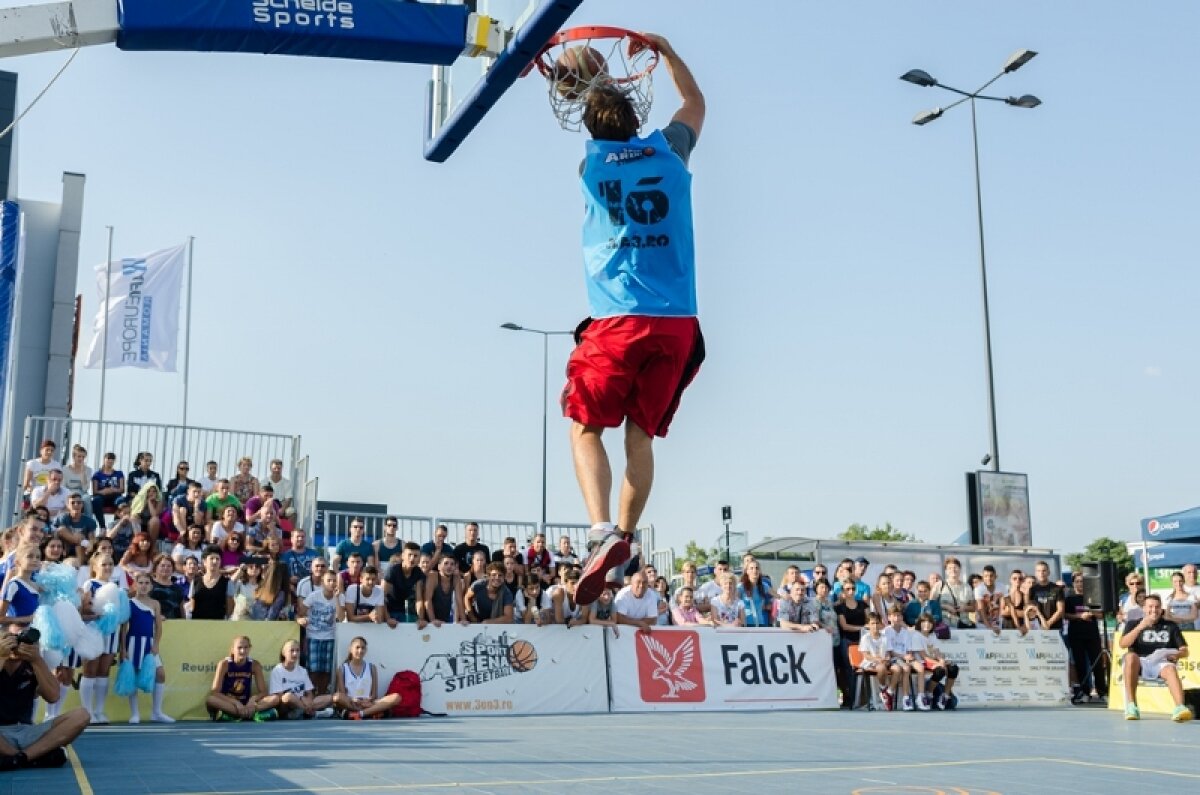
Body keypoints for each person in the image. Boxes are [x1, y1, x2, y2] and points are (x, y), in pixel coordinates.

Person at [565, 34, 707, 608]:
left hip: (618, 321)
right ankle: (624, 538)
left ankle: (601, 531)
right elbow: (695, 102)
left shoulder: (590, 163)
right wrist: (669, 53)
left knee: (584, 427)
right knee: (640, 436)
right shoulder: (671, 151)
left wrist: (581, 78)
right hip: (677, 325)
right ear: (636, 116)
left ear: (591, 126)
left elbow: (599, 116)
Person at [0, 623, 90, 770]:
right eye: (9, 639)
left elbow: (53, 696)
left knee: (82, 715)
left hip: (26, 731)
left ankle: (20, 758)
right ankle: (30, 757)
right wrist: (1, 656)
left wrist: (37, 660)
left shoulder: (32, 666)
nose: (16, 644)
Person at [1119, 594, 1193, 722]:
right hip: (1140, 661)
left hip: (1161, 662)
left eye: (1157, 607)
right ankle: (1131, 706)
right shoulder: (1133, 624)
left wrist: (1176, 654)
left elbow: (1184, 650)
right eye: (1150, 607)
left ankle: (1180, 707)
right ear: (1144, 608)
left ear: (1161, 609)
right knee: (1130, 657)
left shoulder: (1171, 626)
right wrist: (1141, 626)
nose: (1154, 610)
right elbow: (1123, 644)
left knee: (1170, 668)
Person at [120, 572, 174, 723]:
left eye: (146, 583)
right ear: (135, 585)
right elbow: (124, 628)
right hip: (132, 643)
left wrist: (156, 644)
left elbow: (158, 626)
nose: (143, 586)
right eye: (141, 583)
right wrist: (123, 649)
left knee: (160, 674)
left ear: (151, 586)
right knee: (133, 676)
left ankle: (157, 712)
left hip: (149, 644)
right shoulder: (129, 603)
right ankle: (135, 714)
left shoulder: (155, 604)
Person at [204, 636, 279, 721]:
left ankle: (237, 715)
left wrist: (252, 700)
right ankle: (250, 715)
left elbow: (263, 692)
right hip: (230, 703)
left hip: (247, 704)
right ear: (233, 649)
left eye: (246, 647)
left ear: (250, 648)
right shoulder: (224, 664)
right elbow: (215, 692)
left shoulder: (255, 664)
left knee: (275, 698)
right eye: (239, 648)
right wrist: (235, 702)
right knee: (210, 700)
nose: (243, 651)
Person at [332, 636, 400, 720]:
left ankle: (360, 714)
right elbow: (342, 694)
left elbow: (374, 694)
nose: (360, 651)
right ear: (350, 649)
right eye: (357, 648)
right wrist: (354, 700)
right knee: (337, 697)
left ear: (366, 650)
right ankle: (371, 712)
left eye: (363, 648)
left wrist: (368, 701)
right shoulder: (342, 669)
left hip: (368, 702)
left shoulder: (372, 667)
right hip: (351, 703)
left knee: (396, 697)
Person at [1064, 571, 1106, 704]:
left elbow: (1101, 615)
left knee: (1097, 663)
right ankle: (1085, 692)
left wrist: (1091, 613)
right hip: (1076, 635)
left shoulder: (1093, 597)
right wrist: (1079, 616)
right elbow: (1065, 615)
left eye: (1082, 581)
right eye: (1077, 581)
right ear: (1073, 583)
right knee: (1080, 664)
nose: (1080, 584)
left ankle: (1102, 692)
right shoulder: (1069, 599)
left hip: (1092, 634)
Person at [298, 569, 341, 696]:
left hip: (330, 637)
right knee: (313, 669)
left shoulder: (340, 597)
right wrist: (301, 619)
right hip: (313, 636)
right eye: (329, 580)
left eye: (334, 581)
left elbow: (341, 617)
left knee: (326, 670)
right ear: (323, 582)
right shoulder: (313, 596)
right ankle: (310, 696)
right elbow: (301, 612)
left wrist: (338, 598)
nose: (332, 583)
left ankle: (321, 696)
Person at [269, 640, 333, 720]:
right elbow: (280, 697)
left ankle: (304, 711)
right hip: (287, 706)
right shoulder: (277, 670)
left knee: (330, 698)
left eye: (297, 650)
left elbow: (309, 693)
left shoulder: (302, 670)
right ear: (283, 653)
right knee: (288, 696)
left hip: (302, 703)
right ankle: (312, 712)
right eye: (292, 651)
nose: (295, 653)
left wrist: (308, 701)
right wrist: (300, 699)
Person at [913, 612, 959, 710]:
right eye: (924, 622)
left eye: (929, 622)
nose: (927, 624)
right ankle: (929, 694)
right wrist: (938, 663)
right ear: (919, 624)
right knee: (940, 670)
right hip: (922, 661)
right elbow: (923, 656)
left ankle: (945, 696)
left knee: (953, 668)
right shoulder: (916, 635)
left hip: (932, 661)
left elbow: (937, 651)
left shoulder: (932, 635)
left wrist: (942, 660)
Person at [858, 613, 895, 711]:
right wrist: (876, 659)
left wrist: (886, 658)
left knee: (898, 669)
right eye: (872, 623)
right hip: (869, 662)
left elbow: (888, 652)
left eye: (877, 623)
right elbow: (866, 655)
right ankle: (883, 688)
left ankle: (889, 692)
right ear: (868, 625)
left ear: (880, 624)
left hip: (883, 661)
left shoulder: (884, 637)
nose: (875, 626)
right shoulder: (865, 638)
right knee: (881, 667)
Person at [884, 607, 918, 711]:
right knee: (906, 669)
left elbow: (908, 649)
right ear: (889, 617)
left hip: (904, 659)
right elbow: (890, 652)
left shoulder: (906, 632)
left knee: (910, 667)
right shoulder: (886, 631)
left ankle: (892, 693)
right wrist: (904, 657)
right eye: (894, 615)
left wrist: (908, 656)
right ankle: (906, 699)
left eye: (899, 615)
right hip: (892, 659)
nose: (897, 618)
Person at [383, 543, 425, 626]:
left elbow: (419, 599)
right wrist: (388, 618)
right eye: (409, 555)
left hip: (405, 610)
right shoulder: (392, 571)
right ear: (403, 556)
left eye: (416, 556)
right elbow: (381, 596)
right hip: (388, 610)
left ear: (419, 558)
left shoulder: (418, 572)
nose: (412, 558)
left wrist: (421, 619)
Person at [189, 547, 232, 620]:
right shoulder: (195, 581)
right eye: (211, 558)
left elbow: (229, 607)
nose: (215, 561)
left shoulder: (227, 582)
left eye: (217, 559)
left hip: (218, 624)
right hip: (197, 624)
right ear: (204, 561)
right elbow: (192, 606)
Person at [0, 547, 41, 623]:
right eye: (30, 556)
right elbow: (1, 618)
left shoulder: (37, 585)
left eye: (38, 557)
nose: (35, 560)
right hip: (16, 632)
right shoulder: (14, 584)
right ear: (18, 562)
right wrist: (27, 619)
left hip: (32, 630)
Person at [424, 555, 467, 627]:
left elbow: (459, 600)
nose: (449, 566)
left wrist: (463, 619)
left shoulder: (456, 578)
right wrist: (432, 620)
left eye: (452, 564)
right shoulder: (433, 576)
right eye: (446, 563)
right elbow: (427, 600)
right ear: (439, 567)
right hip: (427, 620)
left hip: (444, 619)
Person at [90, 452, 125, 528]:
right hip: (102, 496)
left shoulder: (119, 473)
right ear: (104, 460)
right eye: (108, 459)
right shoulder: (97, 474)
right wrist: (102, 491)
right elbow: (95, 491)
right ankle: (102, 527)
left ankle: (117, 526)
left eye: (112, 459)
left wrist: (113, 490)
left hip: (115, 496)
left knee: (121, 501)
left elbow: (122, 489)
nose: (110, 461)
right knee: (96, 501)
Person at [1028, 561, 1065, 631]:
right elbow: (1031, 610)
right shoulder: (1032, 590)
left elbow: (1060, 610)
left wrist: (1048, 623)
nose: (1041, 573)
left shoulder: (1057, 589)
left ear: (1048, 572)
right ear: (1035, 573)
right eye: (1038, 571)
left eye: (1044, 571)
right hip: (1038, 628)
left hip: (1055, 628)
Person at [148, 554, 186, 620]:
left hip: (175, 626)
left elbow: (181, 610)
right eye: (162, 566)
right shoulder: (148, 585)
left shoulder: (178, 588)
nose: (166, 568)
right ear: (156, 567)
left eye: (169, 566)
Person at [738, 559, 773, 628]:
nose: (755, 570)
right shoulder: (741, 587)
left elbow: (779, 596)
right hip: (746, 623)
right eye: (751, 568)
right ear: (747, 571)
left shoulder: (764, 586)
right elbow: (735, 604)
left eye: (757, 568)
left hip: (760, 623)